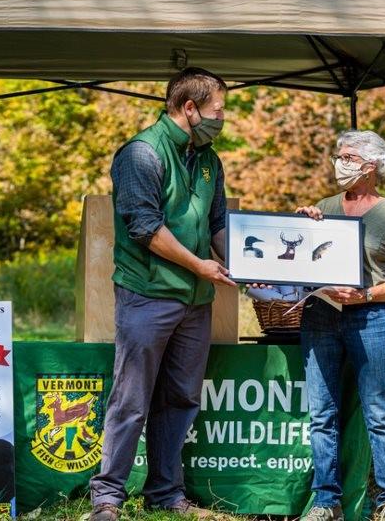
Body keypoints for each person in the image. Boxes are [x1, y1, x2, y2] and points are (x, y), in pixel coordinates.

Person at [88, 67, 236, 521]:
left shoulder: (209, 159)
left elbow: (217, 225)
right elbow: (145, 228)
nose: (221, 120)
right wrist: (200, 267)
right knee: (131, 399)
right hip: (148, 296)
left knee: (181, 399)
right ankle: (108, 497)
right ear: (188, 108)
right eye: (217, 111)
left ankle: (166, 494)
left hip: (196, 302)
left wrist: (253, 269)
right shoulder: (141, 154)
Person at [296, 130, 385, 521]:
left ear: (370, 166)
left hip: (371, 319)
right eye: (339, 155)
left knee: (379, 412)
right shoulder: (324, 206)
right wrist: (302, 224)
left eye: (347, 157)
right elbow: (299, 261)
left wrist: (366, 295)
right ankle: (325, 502)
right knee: (322, 413)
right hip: (320, 316)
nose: (339, 162)